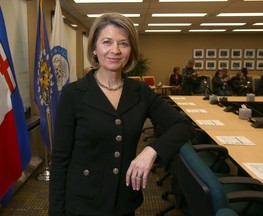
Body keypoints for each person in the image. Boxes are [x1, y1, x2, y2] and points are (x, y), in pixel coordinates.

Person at [49, 13, 195, 216]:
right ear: (94, 47)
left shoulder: (140, 91)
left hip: (124, 203)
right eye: (107, 42)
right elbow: (60, 159)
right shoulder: (73, 93)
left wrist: (151, 150)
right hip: (82, 203)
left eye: (123, 43)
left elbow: (184, 126)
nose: (115, 50)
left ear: (131, 50)